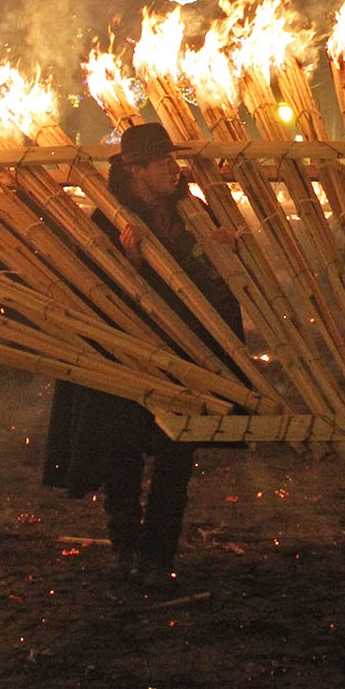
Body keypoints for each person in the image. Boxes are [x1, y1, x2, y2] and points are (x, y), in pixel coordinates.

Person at [42, 123, 241, 588]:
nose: (173, 170)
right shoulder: (107, 221)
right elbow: (91, 289)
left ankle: (158, 554)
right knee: (121, 457)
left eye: (173, 161)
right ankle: (127, 548)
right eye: (162, 163)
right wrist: (128, 264)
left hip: (187, 353)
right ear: (136, 170)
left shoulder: (192, 214)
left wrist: (221, 255)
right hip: (126, 353)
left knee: (178, 454)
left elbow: (213, 287)